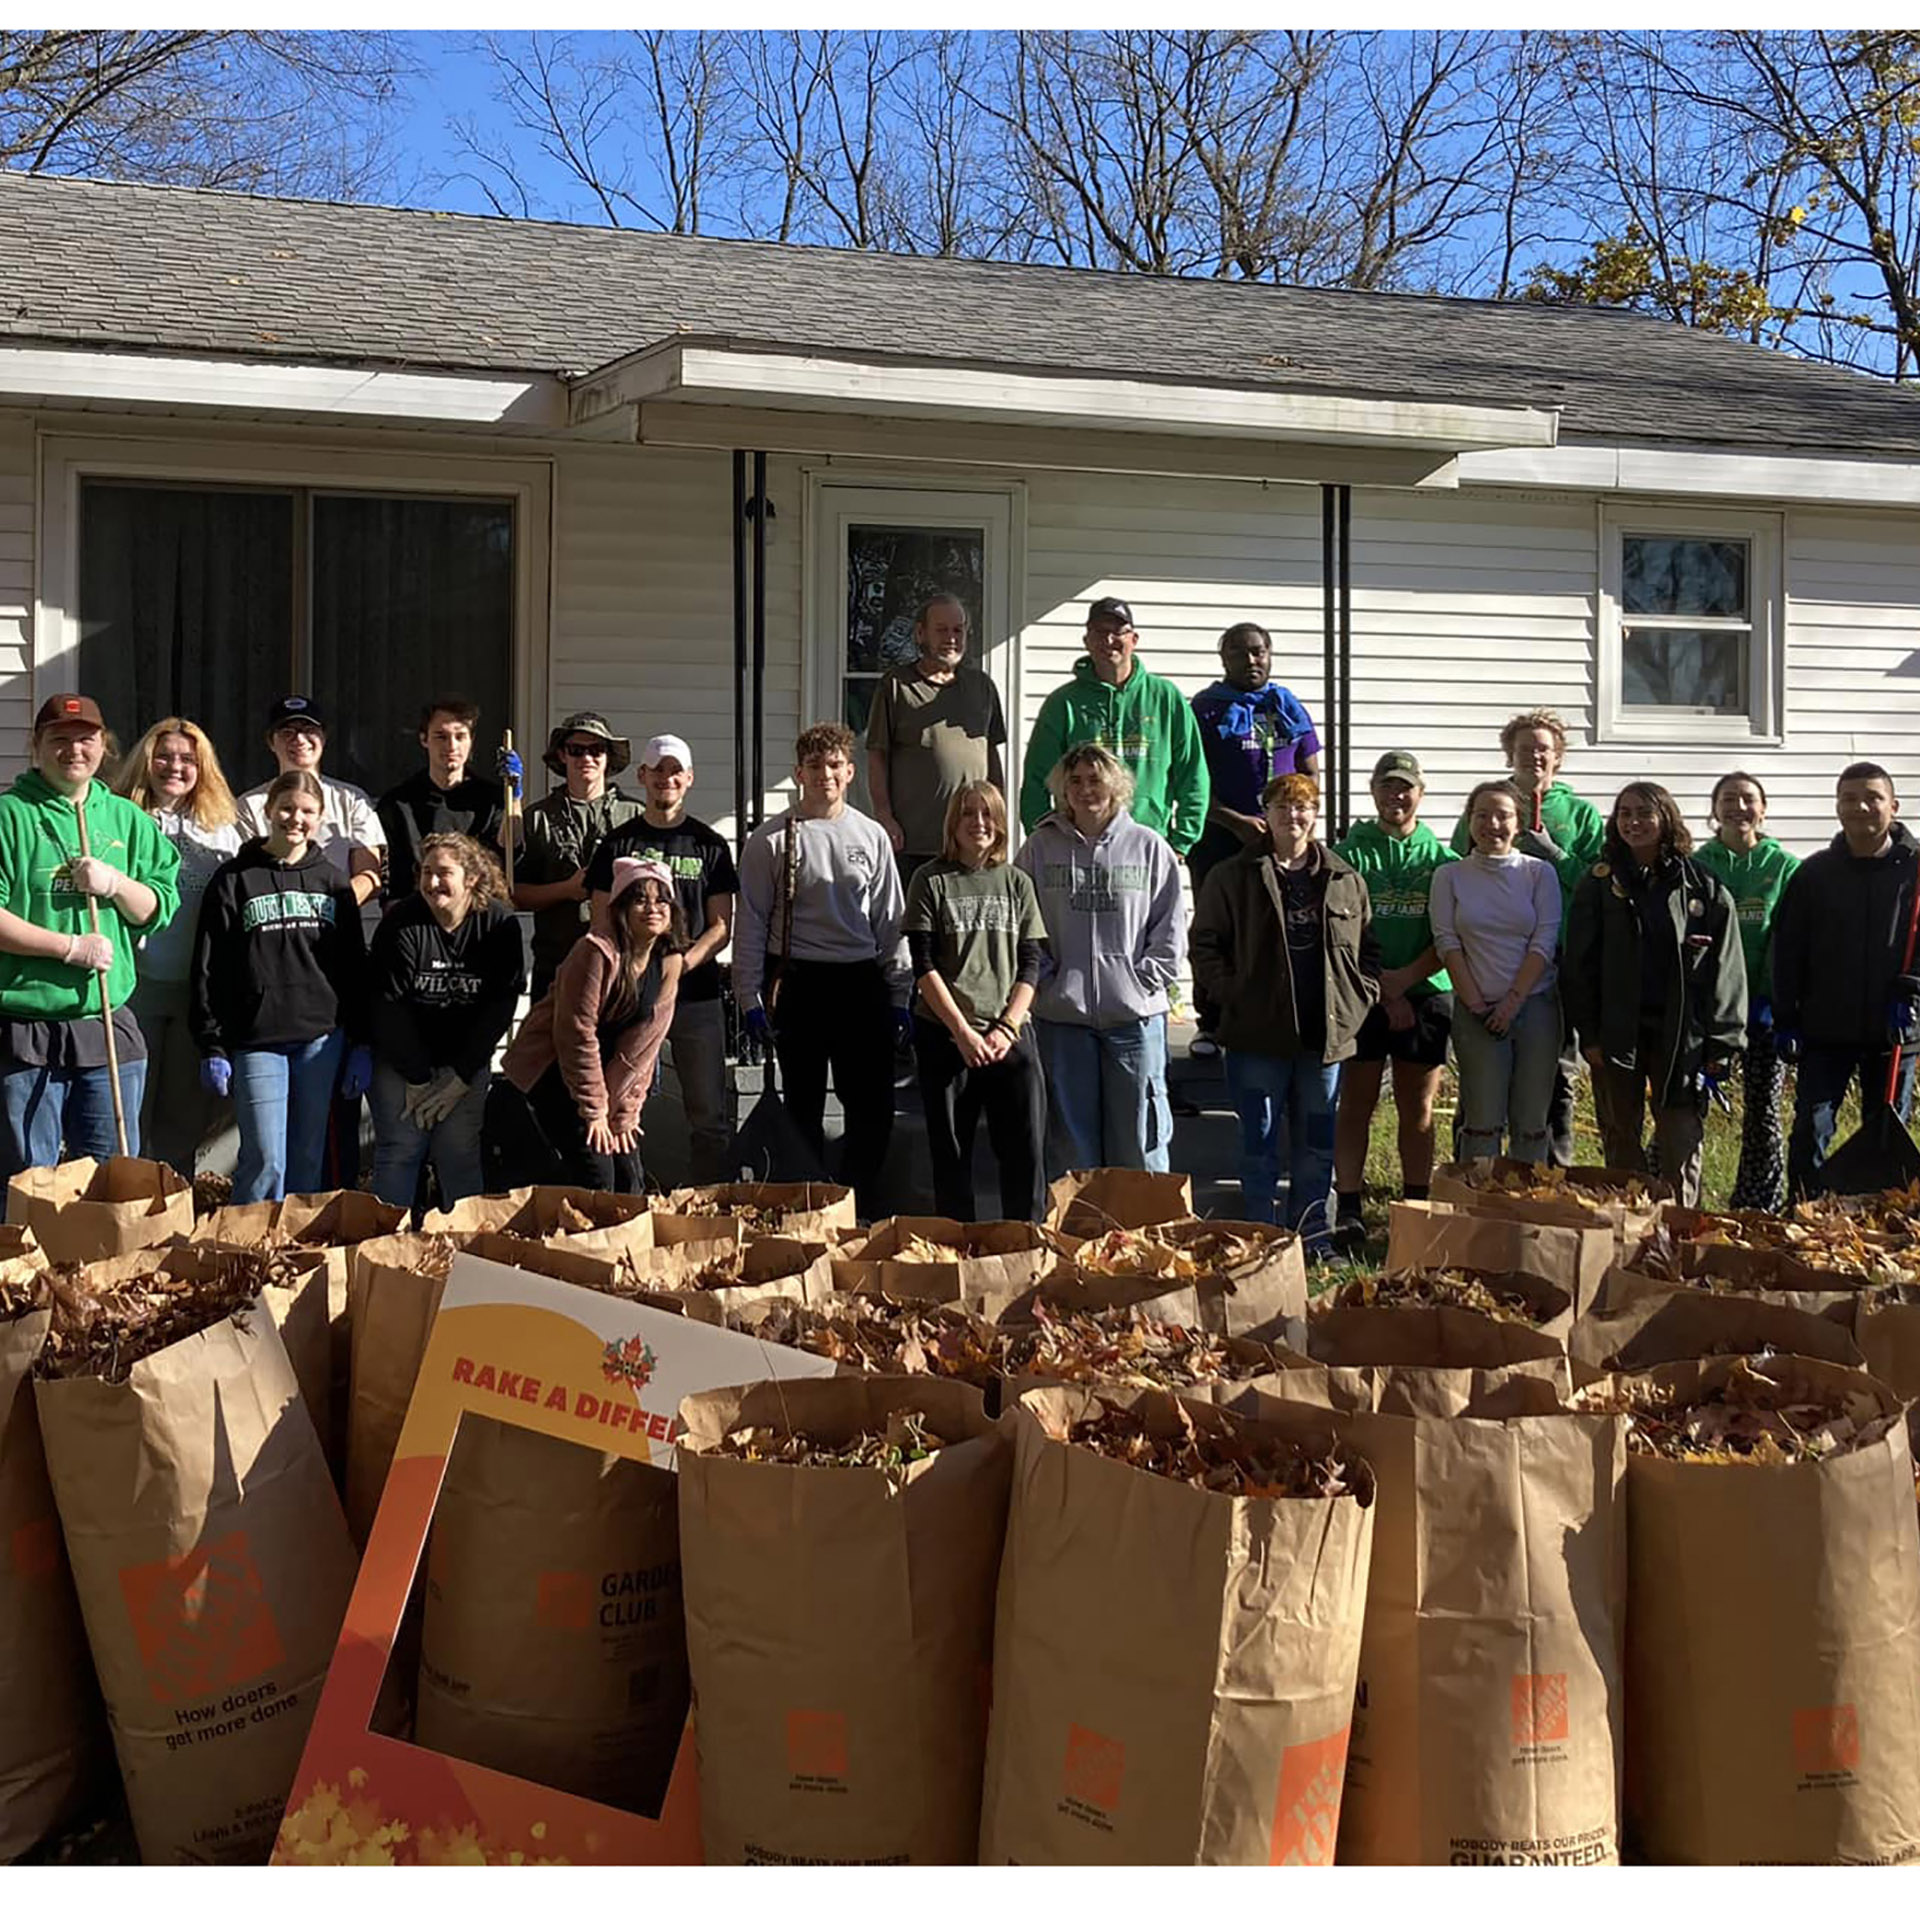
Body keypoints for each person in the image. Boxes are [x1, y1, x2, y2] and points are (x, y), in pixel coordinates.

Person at [1192, 773, 1378, 1244]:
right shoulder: (1232, 876)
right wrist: (1231, 994)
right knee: (1260, 1144)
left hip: (1324, 1039)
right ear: (1266, 815)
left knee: (1317, 1146)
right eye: (1281, 807)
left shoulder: (1344, 879)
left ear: (1314, 815)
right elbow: (1205, 946)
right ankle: (1261, 1237)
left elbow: (1367, 951)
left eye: (1301, 807)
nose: (1291, 816)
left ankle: (1313, 1236)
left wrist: (1362, 997)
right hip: (1256, 1037)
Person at [734, 723, 909, 1218]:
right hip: (798, 982)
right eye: (815, 767)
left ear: (849, 773)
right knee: (804, 1105)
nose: (825, 776)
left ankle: (859, 1204)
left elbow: (890, 922)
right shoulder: (770, 841)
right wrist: (749, 996)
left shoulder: (870, 836)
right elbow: (749, 920)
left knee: (870, 1108)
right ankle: (811, 1207)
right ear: (798, 774)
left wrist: (898, 995)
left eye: (834, 766)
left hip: (860, 982)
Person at [0, 695, 180, 1171]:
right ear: (36, 746)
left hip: (104, 1019)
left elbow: (158, 906)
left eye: (86, 740)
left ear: (105, 746)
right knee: (25, 1177)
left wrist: (116, 884)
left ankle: (106, 1251)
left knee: (114, 1174)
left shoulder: (126, 819)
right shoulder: (8, 816)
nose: (74, 750)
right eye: (59, 739)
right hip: (25, 1025)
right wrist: (69, 948)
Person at [1563, 783, 1746, 1207]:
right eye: (1624, 813)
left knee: (1680, 1138)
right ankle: (1626, 1233)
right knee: (1619, 1137)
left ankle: (1680, 1232)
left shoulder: (1702, 886)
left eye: (1644, 813)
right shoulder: (1599, 884)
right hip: (1615, 1035)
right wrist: (1588, 1035)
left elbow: (1727, 971)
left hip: (1682, 1037)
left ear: (1666, 817)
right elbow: (1579, 968)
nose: (1633, 822)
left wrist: (1724, 1043)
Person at [191, 770, 369, 1204]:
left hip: (320, 1040)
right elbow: (207, 967)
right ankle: (244, 1252)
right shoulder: (235, 879)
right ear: (268, 811)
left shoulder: (333, 882)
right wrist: (212, 1045)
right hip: (256, 1040)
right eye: (286, 808)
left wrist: (361, 1042)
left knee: (307, 1158)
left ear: (320, 818)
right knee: (266, 1158)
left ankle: (295, 1256)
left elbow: (353, 968)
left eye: (307, 811)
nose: (295, 818)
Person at [1014, 744, 1185, 1175]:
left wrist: (1143, 980)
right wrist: (1045, 982)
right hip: (1063, 1017)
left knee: (1140, 1140)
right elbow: (1021, 922)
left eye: (1095, 779)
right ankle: (1078, 1236)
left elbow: (1169, 926)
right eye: (1075, 781)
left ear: (1116, 786)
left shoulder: (1149, 848)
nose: (1086, 789)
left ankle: (1145, 1236)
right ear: (1062, 790)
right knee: (1071, 1146)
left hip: (1134, 1018)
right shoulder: (1039, 848)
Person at [1449, 709, 1604, 1167]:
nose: (1534, 755)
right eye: (1524, 748)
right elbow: (1463, 867)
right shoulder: (1486, 806)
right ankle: (1473, 1170)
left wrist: (1555, 856)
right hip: (1491, 966)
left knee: (1555, 1073)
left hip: (1559, 960)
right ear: (1509, 753)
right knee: (1483, 1082)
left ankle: (1551, 1168)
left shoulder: (1579, 813)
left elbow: (1596, 880)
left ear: (1557, 757)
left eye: (1543, 749)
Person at [586, 734, 739, 1186]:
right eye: (657, 771)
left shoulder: (709, 844)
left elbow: (722, 926)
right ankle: (630, 1200)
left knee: (708, 1114)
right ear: (642, 777)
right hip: (631, 998)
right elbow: (599, 921)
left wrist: (680, 965)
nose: (665, 779)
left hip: (696, 997)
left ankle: (704, 1206)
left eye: (675, 771)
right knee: (623, 1103)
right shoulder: (619, 843)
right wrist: (638, 970)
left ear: (689, 779)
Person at [492, 856, 684, 1193]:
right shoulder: (595, 951)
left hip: (609, 1074)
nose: (652, 908)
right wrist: (595, 1111)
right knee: (598, 1178)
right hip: (555, 1071)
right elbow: (575, 1034)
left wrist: (624, 1112)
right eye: (640, 899)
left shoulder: (669, 962)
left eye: (661, 899)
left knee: (630, 1179)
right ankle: (583, 1243)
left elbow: (644, 1046)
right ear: (620, 908)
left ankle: (627, 1245)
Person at [904, 781, 1050, 1223]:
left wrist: (1007, 1027)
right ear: (954, 822)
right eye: (969, 814)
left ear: (1000, 823)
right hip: (946, 1037)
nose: (979, 823)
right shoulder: (930, 880)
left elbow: (1031, 964)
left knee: (1025, 1152)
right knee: (951, 1155)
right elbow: (923, 965)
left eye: (987, 814)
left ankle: (1026, 1242)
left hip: (1009, 1035)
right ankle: (959, 1254)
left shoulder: (1017, 883)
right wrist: (962, 1033)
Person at [1773, 762, 1920, 1200]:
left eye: (1872, 797)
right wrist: (1786, 1017)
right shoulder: (1815, 874)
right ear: (1837, 808)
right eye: (1850, 799)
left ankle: (1881, 1228)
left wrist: (1912, 986)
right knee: (1809, 1132)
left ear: (1892, 806)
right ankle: (1804, 1217)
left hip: (1894, 1032)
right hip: (1825, 1030)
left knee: (1884, 1139)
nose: (1861, 807)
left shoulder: (1915, 873)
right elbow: (1789, 948)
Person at [1329, 751, 1456, 1248]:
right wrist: (1384, 985)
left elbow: (1450, 936)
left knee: (1417, 1106)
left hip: (1426, 993)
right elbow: (1339, 932)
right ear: (1373, 791)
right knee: (1356, 1101)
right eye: (1387, 786)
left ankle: (1416, 1204)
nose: (1396, 796)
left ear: (1420, 794)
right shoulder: (1349, 853)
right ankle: (1350, 1207)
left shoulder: (1440, 861)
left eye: (1405, 787)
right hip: (1363, 993)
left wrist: (1407, 981)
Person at [367, 832, 526, 1213]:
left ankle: (464, 1246)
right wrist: (418, 1078)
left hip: (464, 1061)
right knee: (401, 1148)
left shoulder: (498, 924)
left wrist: (460, 1078)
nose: (432, 882)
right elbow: (387, 1008)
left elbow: (499, 1008)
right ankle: (387, 1244)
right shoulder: (401, 923)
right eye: (426, 872)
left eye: (443, 873)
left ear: (470, 878)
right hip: (401, 1061)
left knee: (458, 1152)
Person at [114, 718, 245, 1178]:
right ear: (146, 761)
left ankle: (169, 1223)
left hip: (195, 995)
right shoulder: (119, 818)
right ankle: (118, 1219)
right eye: (164, 756)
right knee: (126, 1118)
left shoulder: (222, 829)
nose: (175, 766)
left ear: (202, 767)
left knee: (181, 1123)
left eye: (188, 759)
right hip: (133, 989)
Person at [1187, 622, 1322, 1058]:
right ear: (1223, 658)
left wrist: (1296, 821)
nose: (1252, 661)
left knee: (1274, 927)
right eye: (1241, 653)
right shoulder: (1205, 709)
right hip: (1221, 837)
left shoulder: (1285, 705)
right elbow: (1191, 780)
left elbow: (1310, 770)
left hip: (1279, 839)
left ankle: (1271, 1012)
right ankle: (1211, 1022)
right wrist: (1234, 820)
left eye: (1259, 652)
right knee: (1217, 929)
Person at [1431, 779, 1563, 1164]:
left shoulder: (1539, 873)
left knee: (1531, 1123)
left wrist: (1512, 1003)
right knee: (1482, 1123)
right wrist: (1477, 1003)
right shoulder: (1450, 876)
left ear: (1518, 823)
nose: (1493, 824)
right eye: (1482, 815)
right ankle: (1482, 1214)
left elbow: (1544, 940)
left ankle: (1528, 1213)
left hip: (1536, 1006)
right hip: (1476, 1011)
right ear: (1469, 822)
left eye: (1503, 816)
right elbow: (1447, 942)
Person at [1017, 597, 1210, 856]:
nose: (1108, 640)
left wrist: (1181, 842)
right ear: (1086, 641)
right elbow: (1036, 779)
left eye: (1117, 631)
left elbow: (1192, 774)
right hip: (1079, 848)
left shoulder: (1166, 698)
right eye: (1099, 632)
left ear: (1134, 639)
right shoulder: (1063, 703)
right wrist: (1045, 841)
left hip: (1148, 845)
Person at [1695, 771, 1800, 1211]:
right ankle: (1676, 1193)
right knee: (1688, 1103)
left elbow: (1793, 937)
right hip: (1709, 1009)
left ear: (1764, 809)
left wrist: (1776, 1000)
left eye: (1748, 799)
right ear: (1715, 809)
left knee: (1762, 1110)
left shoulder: (1784, 867)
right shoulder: (1699, 864)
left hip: (1763, 1008)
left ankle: (1759, 1203)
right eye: (1729, 799)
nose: (1739, 807)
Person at [865, 594, 1008, 891]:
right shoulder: (896, 685)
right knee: (915, 933)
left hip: (972, 842)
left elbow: (991, 755)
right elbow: (877, 754)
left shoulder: (982, 687)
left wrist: (999, 819)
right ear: (920, 633)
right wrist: (884, 815)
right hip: (915, 843)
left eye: (958, 630)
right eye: (941, 630)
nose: (951, 638)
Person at [513, 711, 643, 1003]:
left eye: (596, 750)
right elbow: (516, 894)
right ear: (562, 755)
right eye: (576, 750)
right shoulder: (536, 818)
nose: (587, 758)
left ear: (608, 757)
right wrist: (566, 890)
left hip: (621, 966)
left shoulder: (635, 816)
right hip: (555, 966)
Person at [236, 695, 385, 907]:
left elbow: (369, 876)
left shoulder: (353, 800)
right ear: (271, 742)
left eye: (309, 730)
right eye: (287, 732)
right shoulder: (249, 806)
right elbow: (246, 875)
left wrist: (326, 910)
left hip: (339, 925)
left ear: (324, 737)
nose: (299, 739)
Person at [376, 697, 509, 903]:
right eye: (441, 736)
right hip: (414, 917)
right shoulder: (397, 804)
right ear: (424, 739)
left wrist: (515, 796)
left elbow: (508, 856)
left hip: (476, 914)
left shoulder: (492, 800)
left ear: (471, 740)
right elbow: (389, 877)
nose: (451, 746)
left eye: (460, 736)